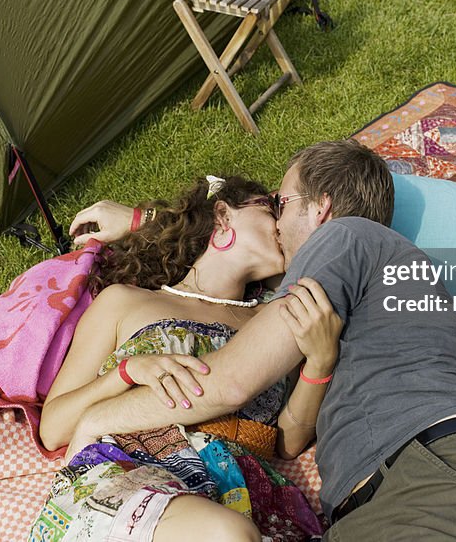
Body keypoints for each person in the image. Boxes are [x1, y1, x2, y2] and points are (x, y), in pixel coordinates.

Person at [68, 140, 456, 541]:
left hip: (435, 481)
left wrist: (96, 420)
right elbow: (219, 254)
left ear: (321, 208)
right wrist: (145, 222)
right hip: (397, 498)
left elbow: (227, 382)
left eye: (281, 204)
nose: (278, 222)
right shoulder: (362, 274)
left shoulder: (343, 238)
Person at [31, 175, 337, 542]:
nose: (282, 223)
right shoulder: (126, 302)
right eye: (271, 207)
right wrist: (126, 374)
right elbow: (53, 429)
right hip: (132, 469)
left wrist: (319, 366)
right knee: (227, 534)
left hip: (243, 493)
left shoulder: (272, 320)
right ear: (223, 214)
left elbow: (286, 442)